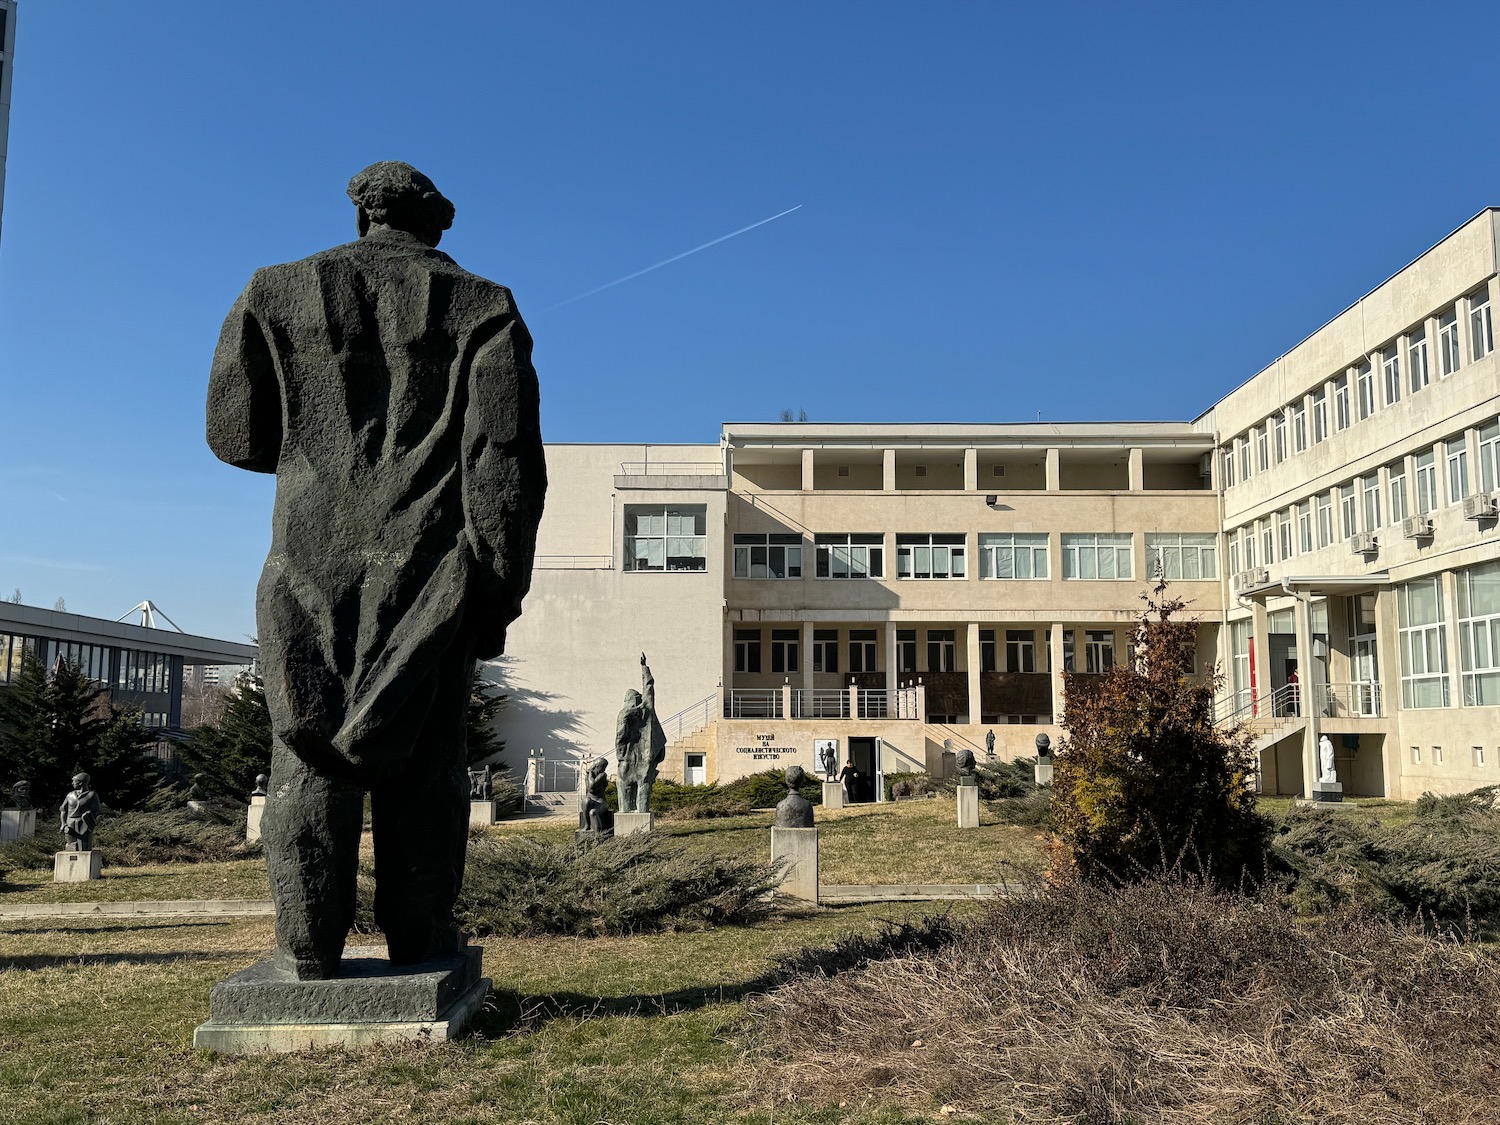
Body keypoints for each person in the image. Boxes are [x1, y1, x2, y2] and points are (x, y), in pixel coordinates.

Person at [206, 162, 546, 980]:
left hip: (305, 559)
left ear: (362, 218)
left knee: (308, 755)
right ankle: (421, 940)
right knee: (426, 763)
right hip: (433, 567)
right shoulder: (485, 308)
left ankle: (306, 947)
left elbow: (235, 434)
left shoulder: (273, 290)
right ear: (434, 224)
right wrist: (497, 591)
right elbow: (503, 465)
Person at [615, 653, 666, 813]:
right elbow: (649, 687)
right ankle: (642, 814)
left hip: (626, 761)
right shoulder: (646, 711)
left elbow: (619, 738)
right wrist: (644, 668)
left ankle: (624, 813)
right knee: (643, 787)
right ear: (638, 699)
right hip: (645, 760)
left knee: (624, 788)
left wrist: (621, 756)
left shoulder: (623, 714)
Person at [59, 773, 101, 851]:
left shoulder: (91, 795)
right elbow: (63, 810)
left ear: (80, 783)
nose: (72, 783)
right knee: (71, 846)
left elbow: (96, 810)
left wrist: (88, 815)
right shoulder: (70, 795)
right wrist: (63, 824)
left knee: (84, 847)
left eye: (74, 781)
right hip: (70, 823)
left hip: (84, 824)